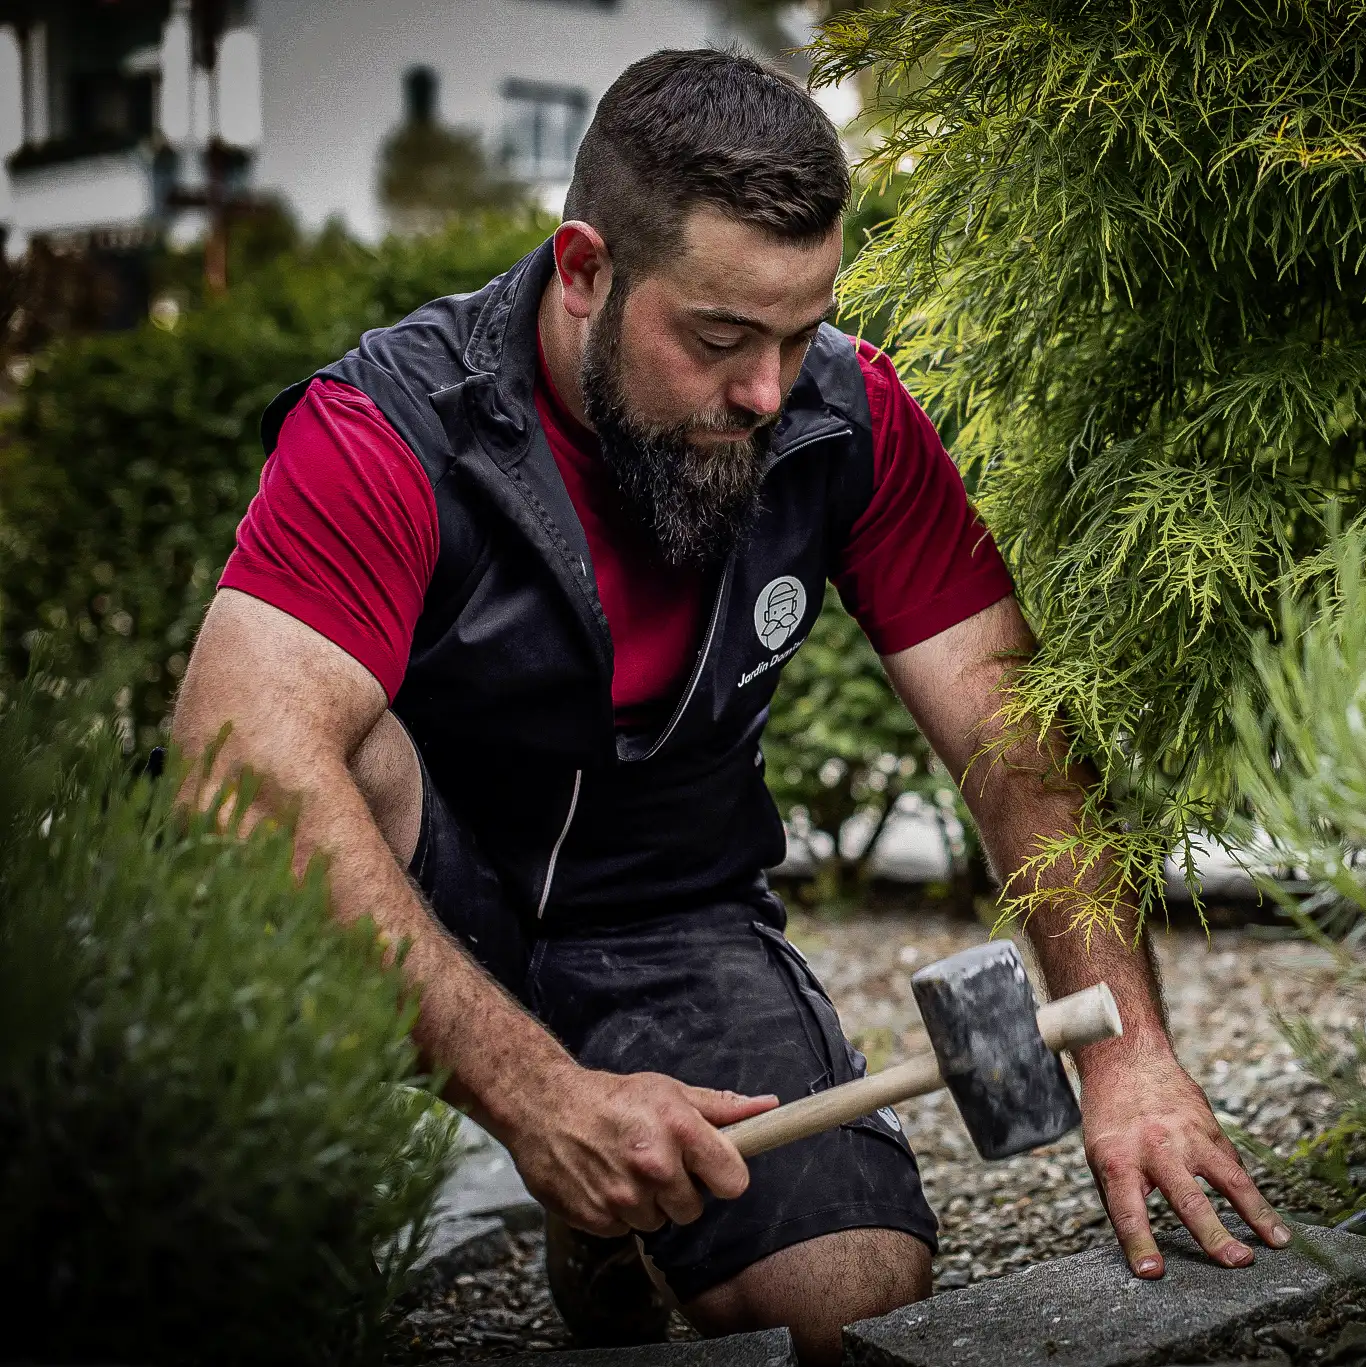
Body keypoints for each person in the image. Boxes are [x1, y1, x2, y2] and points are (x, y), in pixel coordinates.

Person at [170, 48, 1286, 1366]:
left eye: (800, 332)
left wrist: (1129, 1054)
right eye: (718, 338)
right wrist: (540, 1097)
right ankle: (562, 1150)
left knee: (854, 1295)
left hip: (672, 917)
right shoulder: (394, 427)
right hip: (428, 895)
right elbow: (232, 773)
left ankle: (610, 1222)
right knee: (313, 756)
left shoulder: (845, 416)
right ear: (583, 271)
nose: (767, 390)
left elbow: (1010, 733)